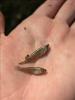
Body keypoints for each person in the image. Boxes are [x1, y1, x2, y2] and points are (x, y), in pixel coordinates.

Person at [0, 0, 75, 100]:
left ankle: (21, 65)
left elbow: (40, 54)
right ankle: (21, 65)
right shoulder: (42, 51)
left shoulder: (42, 52)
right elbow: (40, 54)